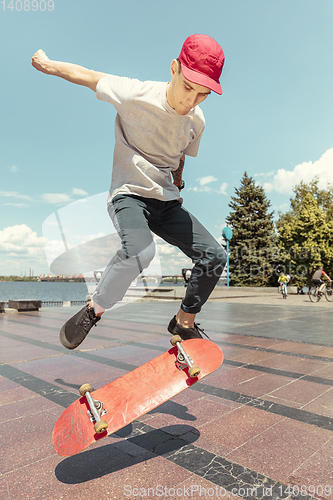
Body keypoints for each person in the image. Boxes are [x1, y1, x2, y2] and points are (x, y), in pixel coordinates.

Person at [31, 34, 227, 350]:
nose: (191, 101)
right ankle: (94, 309)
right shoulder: (135, 93)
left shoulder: (197, 121)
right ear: (174, 69)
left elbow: (180, 155)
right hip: (130, 195)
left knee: (215, 255)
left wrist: (177, 181)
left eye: (202, 94)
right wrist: (48, 64)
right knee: (140, 251)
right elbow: (87, 76)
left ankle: (183, 322)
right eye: (188, 88)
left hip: (166, 201)